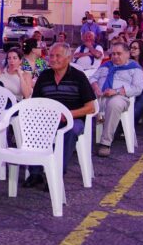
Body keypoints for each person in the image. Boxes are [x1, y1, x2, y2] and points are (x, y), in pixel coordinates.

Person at [24, 42, 97, 189]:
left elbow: (91, 107)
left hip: (74, 118)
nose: (53, 59)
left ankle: (55, 174)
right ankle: (35, 173)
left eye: (58, 56)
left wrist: (69, 114)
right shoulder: (44, 76)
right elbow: (36, 102)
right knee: (32, 129)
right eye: (51, 56)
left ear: (68, 58)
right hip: (49, 119)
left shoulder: (78, 77)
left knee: (69, 132)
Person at [90, 42, 143, 157]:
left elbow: (138, 88)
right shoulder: (106, 65)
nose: (115, 56)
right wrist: (96, 88)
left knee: (114, 103)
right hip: (100, 96)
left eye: (119, 54)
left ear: (127, 54)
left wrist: (117, 91)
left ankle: (105, 143)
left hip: (120, 97)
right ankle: (76, 140)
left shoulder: (134, 68)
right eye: (113, 54)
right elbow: (93, 78)